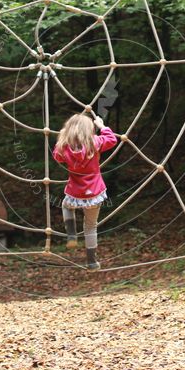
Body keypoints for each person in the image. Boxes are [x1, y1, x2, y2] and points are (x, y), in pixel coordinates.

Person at [52, 113, 118, 270]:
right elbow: (112, 140)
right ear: (89, 130)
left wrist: (63, 136)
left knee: (66, 206)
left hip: (76, 193)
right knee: (90, 226)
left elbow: (56, 156)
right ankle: (91, 262)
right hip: (95, 193)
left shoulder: (65, 148)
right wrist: (102, 126)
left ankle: (72, 235)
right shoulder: (95, 142)